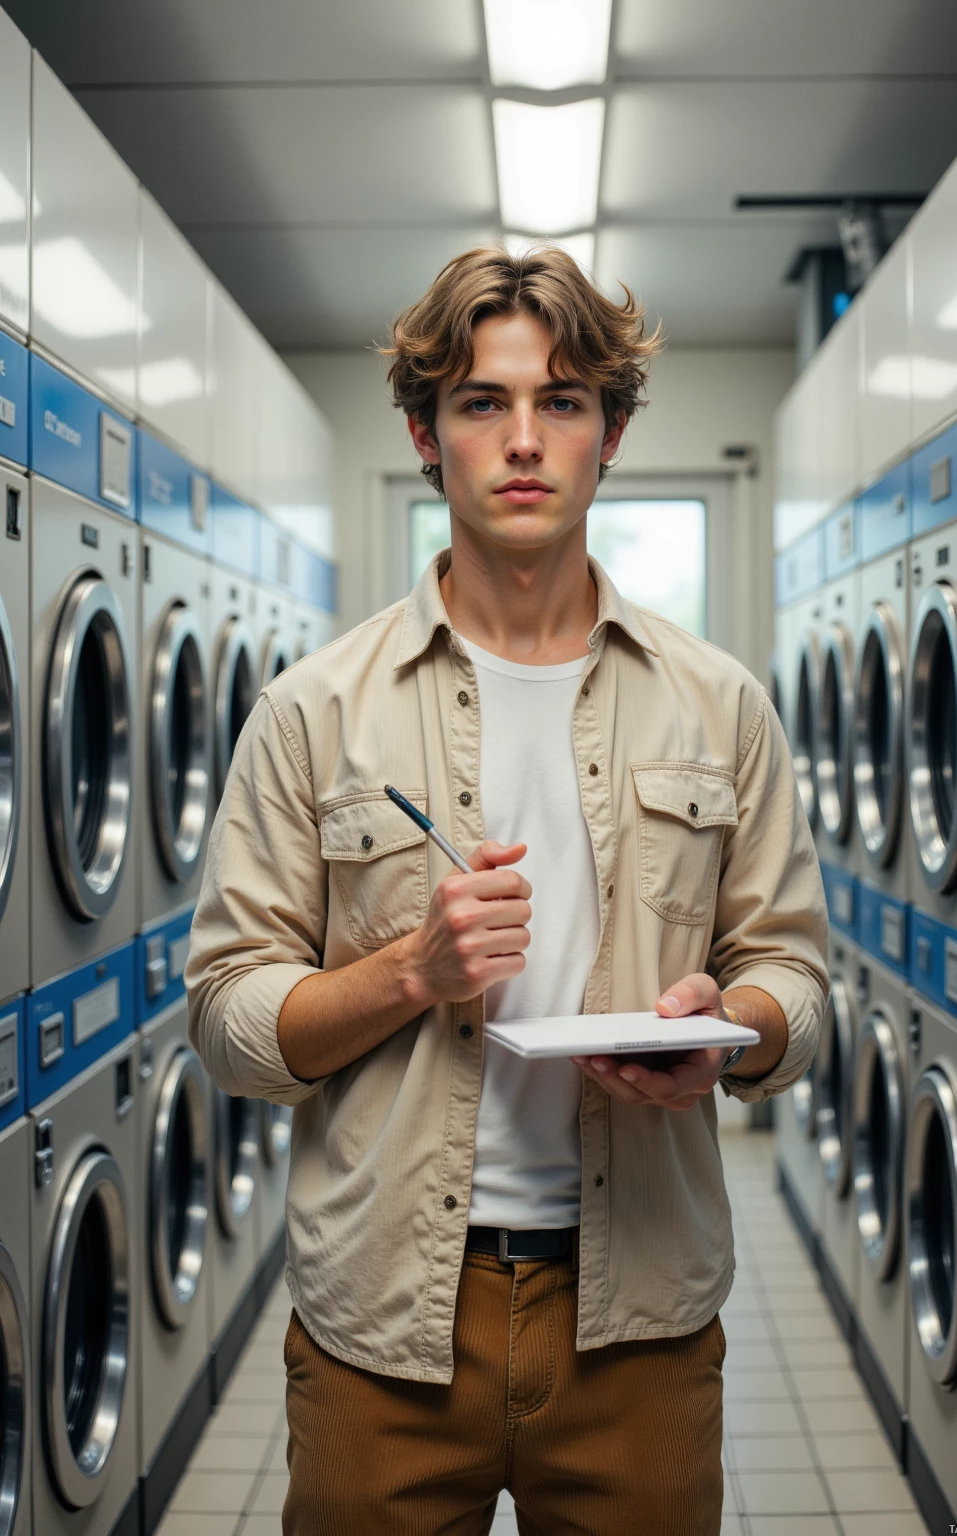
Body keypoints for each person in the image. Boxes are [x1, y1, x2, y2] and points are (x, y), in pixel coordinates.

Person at [186, 245, 829, 1536]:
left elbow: (798, 984)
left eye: (565, 400)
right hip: (384, 1328)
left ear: (613, 433)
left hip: (639, 1319)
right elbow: (225, 1017)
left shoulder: (720, 704)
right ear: (427, 435)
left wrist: (728, 1026)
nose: (524, 439)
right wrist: (408, 974)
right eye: (483, 402)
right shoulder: (315, 711)